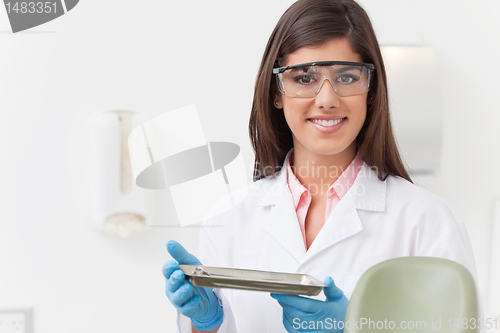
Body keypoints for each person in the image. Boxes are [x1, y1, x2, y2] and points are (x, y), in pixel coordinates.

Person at [162, 0, 483, 332]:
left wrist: (356, 326)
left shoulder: (427, 223)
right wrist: (207, 321)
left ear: (370, 90)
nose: (327, 99)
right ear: (277, 92)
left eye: (346, 76)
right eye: (304, 78)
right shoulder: (228, 219)